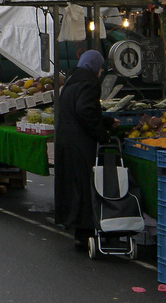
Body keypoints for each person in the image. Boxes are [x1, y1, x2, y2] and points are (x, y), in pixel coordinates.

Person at [54, 49, 114, 247]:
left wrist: (106, 121)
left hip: (65, 141)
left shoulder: (71, 81)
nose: (100, 72)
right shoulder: (89, 82)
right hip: (80, 143)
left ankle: (74, 226)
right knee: (84, 185)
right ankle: (85, 232)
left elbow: (75, 109)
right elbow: (85, 110)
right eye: (100, 67)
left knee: (71, 184)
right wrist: (102, 134)